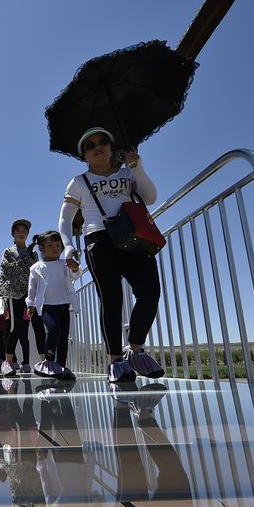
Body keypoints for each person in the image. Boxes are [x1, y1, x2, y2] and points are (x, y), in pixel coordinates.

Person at [58, 127, 165, 387]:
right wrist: (68, 246)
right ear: (84, 155)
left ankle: (135, 349)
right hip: (100, 239)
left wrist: (137, 167)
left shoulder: (128, 173)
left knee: (150, 292)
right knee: (111, 298)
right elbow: (65, 218)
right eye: (91, 145)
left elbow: (150, 197)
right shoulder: (78, 182)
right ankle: (116, 359)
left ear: (110, 146)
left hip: (133, 236)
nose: (98, 147)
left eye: (103, 141)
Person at [25, 231, 79, 380]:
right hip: (47, 307)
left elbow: (74, 276)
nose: (55, 248)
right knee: (54, 329)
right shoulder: (36, 267)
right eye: (50, 245)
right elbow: (32, 288)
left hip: (64, 305)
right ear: (41, 248)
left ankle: (60, 366)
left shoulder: (64, 264)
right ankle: (48, 362)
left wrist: (74, 268)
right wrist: (30, 305)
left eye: (58, 245)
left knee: (63, 337)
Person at [0, 219, 46, 377]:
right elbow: (5, 271)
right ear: (13, 234)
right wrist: (1, 295)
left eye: (24, 230)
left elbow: (37, 271)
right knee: (15, 327)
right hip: (14, 294)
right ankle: (8, 362)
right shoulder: (8, 251)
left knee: (35, 326)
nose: (21, 232)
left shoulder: (33, 252)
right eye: (18, 230)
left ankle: (43, 361)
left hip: (31, 294)